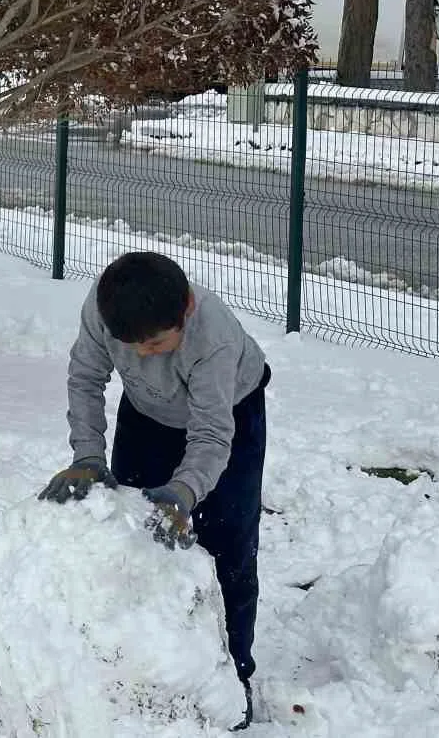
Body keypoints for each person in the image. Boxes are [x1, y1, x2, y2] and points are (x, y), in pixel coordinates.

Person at [39, 251, 269, 729]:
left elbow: (210, 434)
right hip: (147, 413)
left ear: (184, 311)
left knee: (226, 545)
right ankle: (137, 663)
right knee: (133, 533)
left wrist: (184, 491)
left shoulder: (213, 338)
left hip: (228, 417)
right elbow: (85, 378)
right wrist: (87, 457)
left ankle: (231, 677)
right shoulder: (108, 307)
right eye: (131, 345)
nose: (141, 354)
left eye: (156, 343)